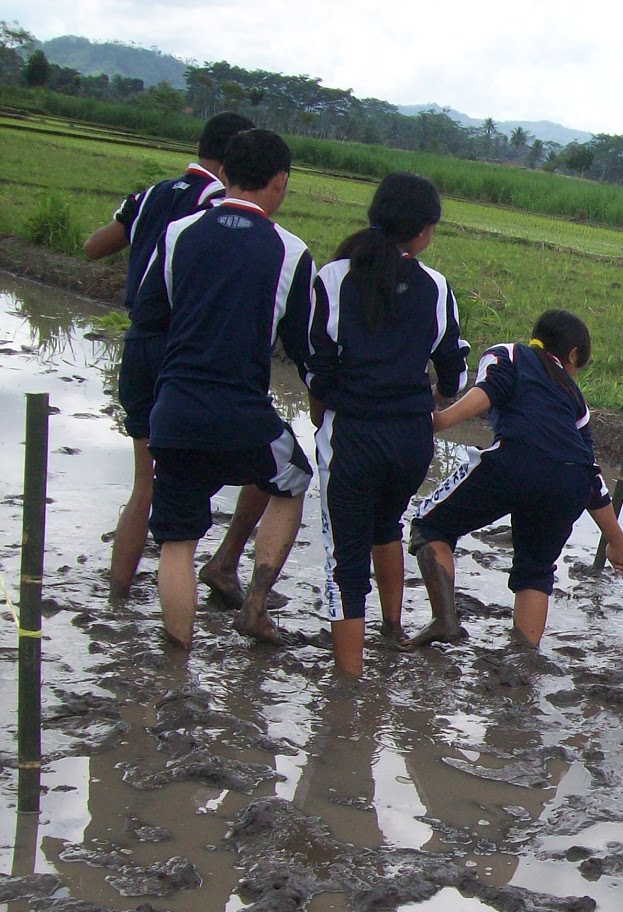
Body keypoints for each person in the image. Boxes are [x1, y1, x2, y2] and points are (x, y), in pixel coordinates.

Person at [130, 129, 316, 651]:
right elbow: (306, 352)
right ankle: (255, 604)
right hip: (242, 415)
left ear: (225, 174)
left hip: (174, 411)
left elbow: (148, 322)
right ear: (279, 182)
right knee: (294, 478)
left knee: (177, 541)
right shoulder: (291, 252)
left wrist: (150, 411)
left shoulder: (178, 234)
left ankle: (177, 657)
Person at [83, 112, 270, 605]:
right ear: (238, 161)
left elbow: (92, 247)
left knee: (144, 484)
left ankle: (117, 598)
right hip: (185, 351)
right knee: (264, 464)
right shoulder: (221, 205)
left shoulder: (150, 196)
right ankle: (224, 563)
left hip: (138, 343)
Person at [305, 173, 470, 676]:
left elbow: (316, 367)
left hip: (353, 436)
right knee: (387, 527)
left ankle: (349, 683)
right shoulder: (435, 287)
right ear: (422, 231)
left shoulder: (333, 279)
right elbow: (454, 373)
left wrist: (330, 407)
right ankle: (393, 629)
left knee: (344, 562)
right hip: (409, 441)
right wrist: (426, 402)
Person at [409, 309, 623, 647]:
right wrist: (617, 540)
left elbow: (487, 391)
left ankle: (445, 621)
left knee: (429, 527)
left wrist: (439, 421)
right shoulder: (575, 398)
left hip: (516, 461)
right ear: (572, 355)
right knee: (536, 570)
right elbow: (589, 471)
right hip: (569, 484)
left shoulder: (508, 353)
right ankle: (525, 656)